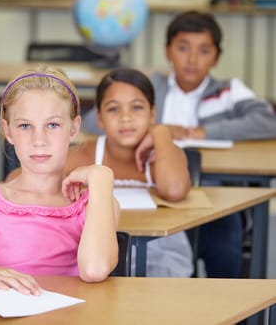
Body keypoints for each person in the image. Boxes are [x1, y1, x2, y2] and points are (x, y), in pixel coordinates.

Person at [82, 10, 276, 278]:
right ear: (167, 51)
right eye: (183, 48)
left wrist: (203, 132)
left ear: (217, 57)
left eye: (204, 51)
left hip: (211, 191)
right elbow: (93, 121)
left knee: (224, 242)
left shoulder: (228, 91)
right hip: (152, 187)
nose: (192, 59)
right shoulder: (150, 85)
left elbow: (267, 120)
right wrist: (153, 130)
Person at [0, 65, 120, 294]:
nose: (39, 140)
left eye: (53, 125)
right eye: (25, 126)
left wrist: (101, 178)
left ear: (73, 128)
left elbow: (95, 270)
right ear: (8, 132)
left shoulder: (96, 203)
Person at [66, 68, 193, 277]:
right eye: (114, 109)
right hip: (98, 254)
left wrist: (160, 132)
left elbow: (175, 190)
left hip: (161, 255)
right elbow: (21, 178)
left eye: (136, 108)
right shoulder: (88, 153)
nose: (126, 118)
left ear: (152, 113)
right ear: (99, 118)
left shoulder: (165, 152)